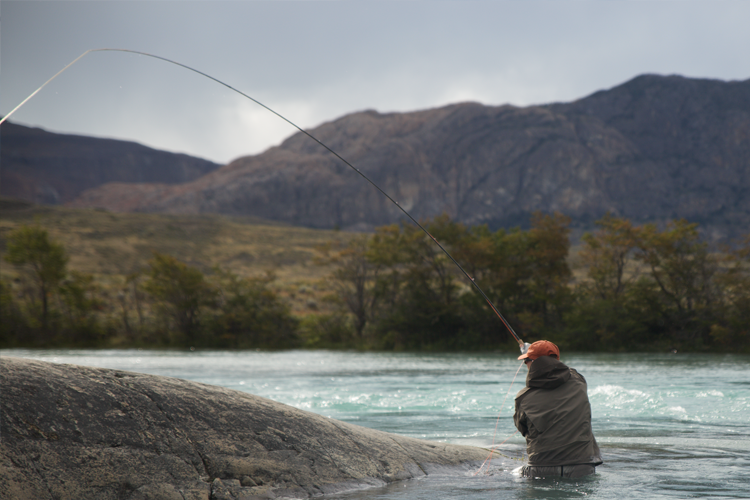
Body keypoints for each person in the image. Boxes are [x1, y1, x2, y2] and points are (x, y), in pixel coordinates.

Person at [513, 340, 602, 478]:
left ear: (535, 363)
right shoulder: (579, 382)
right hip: (582, 467)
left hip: (541, 468)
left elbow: (522, 429)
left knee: (511, 473)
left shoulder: (523, 397)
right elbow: (558, 368)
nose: (525, 364)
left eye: (527, 361)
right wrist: (531, 354)